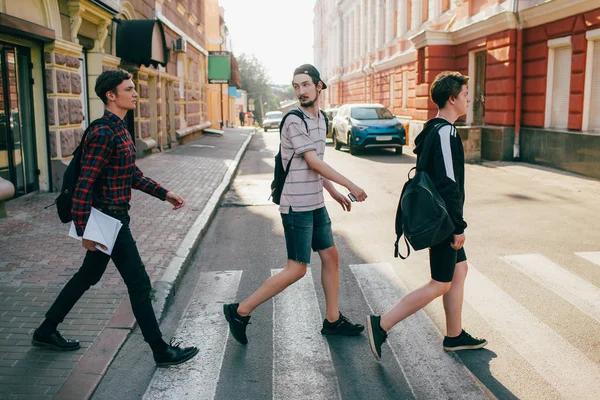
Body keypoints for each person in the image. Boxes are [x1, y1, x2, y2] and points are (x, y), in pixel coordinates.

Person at [31, 70, 199, 367]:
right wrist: (84, 230)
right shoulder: (103, 132)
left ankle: (46, 330)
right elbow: (84, 183)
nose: (135, 93)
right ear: (111, 95)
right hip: (109, 220)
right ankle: (160, 350)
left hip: (115, 217)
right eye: (129, 89)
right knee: (139, 282)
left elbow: (130, 173)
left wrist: (164, 193)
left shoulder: (120, 129)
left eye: (134, 89)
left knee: (88, 276)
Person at [223, 64, 368, 344]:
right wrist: (351, 185)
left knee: (331, 256)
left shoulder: (321, 119)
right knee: (297, 269)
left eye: (305, 85)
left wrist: (334, 192)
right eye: (296, 86)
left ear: (318, 86)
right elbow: (313, 161)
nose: (301, 91)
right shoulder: (293, 121)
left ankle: (333, 320)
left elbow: (315, 167)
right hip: (296, 206)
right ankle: (240, 311)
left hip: (315, 203)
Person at [366, 71, 487, 360]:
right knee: (440, 282)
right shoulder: (445, 132)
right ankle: (382, 324)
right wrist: (457, 226)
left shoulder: (435, 128)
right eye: (465, 94)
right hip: (445, 219)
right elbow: (448, 183)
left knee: (460, 270)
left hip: (441, 215)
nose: (469, 99)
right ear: (451, 98)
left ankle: (455, 335)